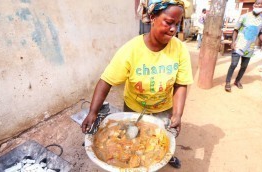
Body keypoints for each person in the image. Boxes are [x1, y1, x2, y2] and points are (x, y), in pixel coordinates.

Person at [81, 0, 193, 169]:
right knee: (133, 139)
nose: (173, 30)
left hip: (164, 109)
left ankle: (168, 156)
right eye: (169, 22)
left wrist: (177, 114)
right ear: (153, 17)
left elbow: (181, 84)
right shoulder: (131, 50)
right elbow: (106, 81)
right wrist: (93, 112)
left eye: (177, 24)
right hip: (134, 108)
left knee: (162, 140)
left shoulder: (180, 49)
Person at [225, 0, 262, 92]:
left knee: (244, 66)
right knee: (233, 64)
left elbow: (261, 34)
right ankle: (227, 82)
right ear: (254, 5)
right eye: (258, 3)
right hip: (238, 45)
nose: (260, 6)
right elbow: (236, 30)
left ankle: (237, 81)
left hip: (250, 47)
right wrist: (233, 41)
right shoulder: (244, 17)